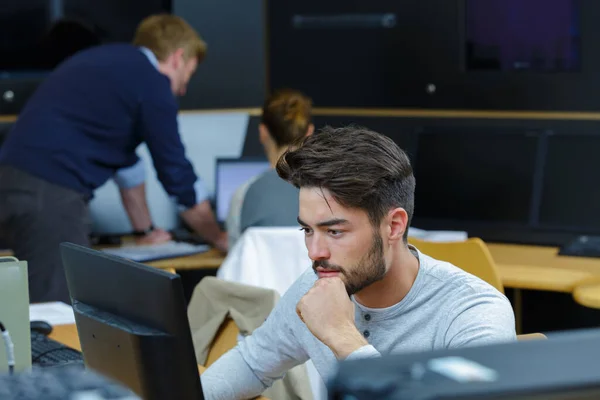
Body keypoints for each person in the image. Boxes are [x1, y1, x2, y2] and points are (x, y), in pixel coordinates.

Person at [201, 125, 516, 399]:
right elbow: (252, 364)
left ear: (393, 225)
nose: (314, 252)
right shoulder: (318, 287)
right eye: (307, 230)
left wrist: (341, 336)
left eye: (334, 231)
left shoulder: (473, 313)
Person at [0, 14, 227, 304]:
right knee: (59, 313)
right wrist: (218, 237)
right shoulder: (152, 82)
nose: (182, 90)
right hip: (50, 197)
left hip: (10, 184)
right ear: (177, 58)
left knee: (22, 307)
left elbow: (128, 168)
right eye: (188, 76)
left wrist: (145, 232)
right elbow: (176, 174)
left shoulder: (106, 64)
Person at [226, 88, 314, 247]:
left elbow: (237, 255)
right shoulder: (329, 193)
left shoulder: (243, 196)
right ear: (309, 132)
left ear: (262, 132)